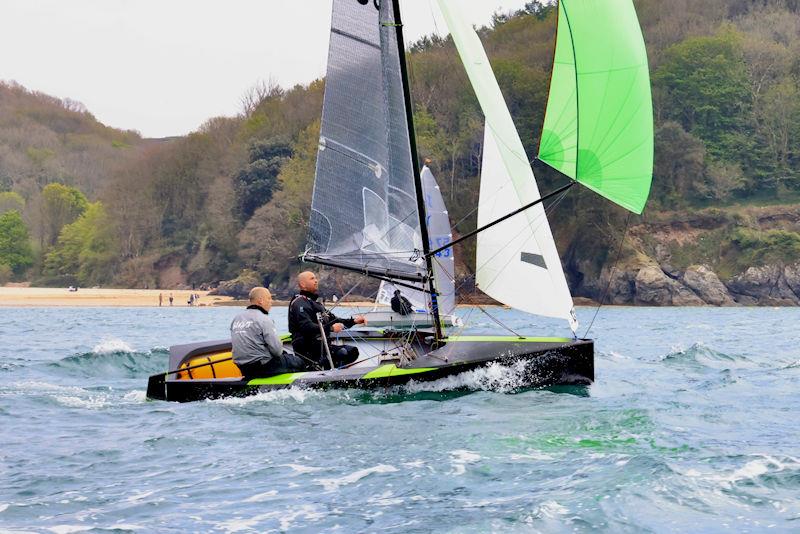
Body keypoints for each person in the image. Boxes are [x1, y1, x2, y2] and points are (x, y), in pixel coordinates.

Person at [288, 271, 366, 369]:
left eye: (316, 278)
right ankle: (315, 367)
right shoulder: (299, 303)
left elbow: (335, 320)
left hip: (322, 346)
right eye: (312, 279)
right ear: (303, 284)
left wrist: (353, 321)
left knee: (352, 352)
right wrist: (331, 328)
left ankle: (330, 372)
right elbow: (306, 326)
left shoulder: (316, 304)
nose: (316, 281)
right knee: (342, 352)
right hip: (307, 348)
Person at [231, 287, 306, 378]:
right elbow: (277, 351)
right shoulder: (264, 319)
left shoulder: (236, 318)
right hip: (263, 366)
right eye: (269, 298)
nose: (271, 301)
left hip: (243, 367)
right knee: (298, 361)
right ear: (261, 301)